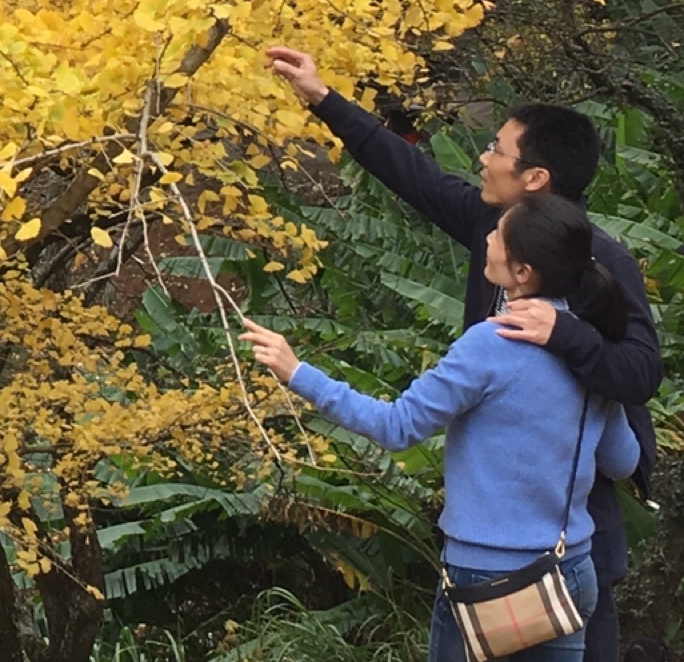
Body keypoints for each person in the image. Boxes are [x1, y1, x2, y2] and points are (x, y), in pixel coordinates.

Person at [267, 45, 661, 662]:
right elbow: (415, 176)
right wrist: (324, 99)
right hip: (557, 544)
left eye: (498, 149)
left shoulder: (597, 263)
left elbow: (640, 374)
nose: (484, 156)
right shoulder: (503, 232)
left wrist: (565, 336)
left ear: (536, 178)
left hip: (560, 544)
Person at [243, 194, 642, 662]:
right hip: (569, 568)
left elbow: (398, 427)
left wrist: (299, 374)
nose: (488, 235)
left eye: (499, 234)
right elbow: (622, 461)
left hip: (488, 578)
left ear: (522, 272)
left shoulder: (492, 344)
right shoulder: (591, 346)